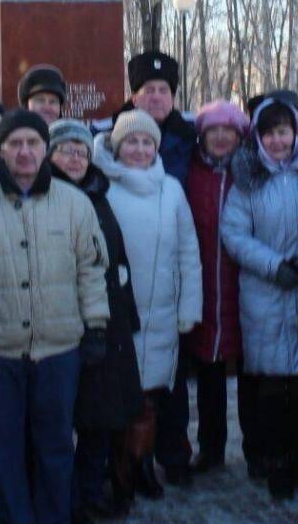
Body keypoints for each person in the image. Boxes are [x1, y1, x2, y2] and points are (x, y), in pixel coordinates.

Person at [0, 110, 109, 524]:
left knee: (56, 443)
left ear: (45, 150)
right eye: (14, 143)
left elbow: (91, 271)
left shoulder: (75, 205)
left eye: (32, 144)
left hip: (59, 348)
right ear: (0, 149)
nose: (24, 152)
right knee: (5, 446)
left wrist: (96, 326)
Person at [221, 92, 298, 500]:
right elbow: (233, 235)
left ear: (296, 131)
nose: (276, 141)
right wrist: (274, 266)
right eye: (268, 133)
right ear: (257, 137)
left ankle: (296, 457)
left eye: (283, 132)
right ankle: (273, 462)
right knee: (270, 385)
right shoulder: (247, 180)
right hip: (263, 291)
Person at [93, 109, 201, 497]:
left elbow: (188, 250)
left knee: (151, 396)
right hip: (117, 311)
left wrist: (190, 306)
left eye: (146, 142)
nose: (139, 149)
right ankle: (117, 467)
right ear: (118, 146)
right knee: (118, 396)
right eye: (131, 142)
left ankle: (142, 464)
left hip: (163, 310)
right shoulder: (102, 185)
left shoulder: (171, 188)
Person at [47, 119, 143, 521]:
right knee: (62, 419)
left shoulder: (98, 193)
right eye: (67, 150)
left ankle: (91, 490)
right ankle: (65, 498)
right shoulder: (46, 194)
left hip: (107, 318)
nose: (75, 158)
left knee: (99, 416)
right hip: (64, 319)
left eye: (82, 151)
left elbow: (116, 257)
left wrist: (126, 311)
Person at [183, 100, 250, 474]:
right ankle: (211, 448)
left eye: (229, 131)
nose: (221, 137)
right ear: (203, 137)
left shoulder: (252, 173)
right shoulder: (191, 174)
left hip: (245, 285)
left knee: (252, 376)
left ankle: (259, 448)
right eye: (213, 131)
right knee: (208, 371)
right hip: (204, 282)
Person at [125, 51, 197, 182]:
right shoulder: (112, 134)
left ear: (172, 98)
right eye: (149, 90)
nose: (156, 97)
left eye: (163, 90)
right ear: (134, 98)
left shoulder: (192, 135)